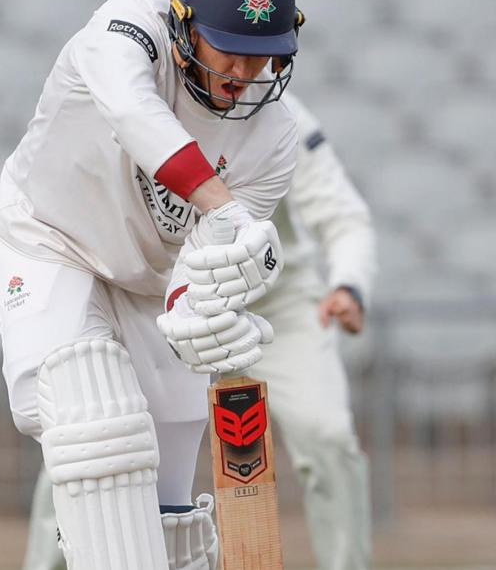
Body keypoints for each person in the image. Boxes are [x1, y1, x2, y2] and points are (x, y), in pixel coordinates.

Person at [0, 0, 305, 570]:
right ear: (187, 25)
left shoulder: (275, 137)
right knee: (89, 413)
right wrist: (224, 206)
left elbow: (206, 259)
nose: (243, 75)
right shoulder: (127, 29)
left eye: (262, 58)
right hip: (49, 237)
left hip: (149, 280)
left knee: (166, 482)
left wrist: (201, 314)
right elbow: (134, 113)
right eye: (230, 52)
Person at [19, 90, 377, 570]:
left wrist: (349, 285)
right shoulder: (138, 102)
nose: (238, 74)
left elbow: (343, 215)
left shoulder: (281, 120)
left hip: (277, 308)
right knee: (90, 436)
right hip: (161, 301)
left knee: (327, 435)